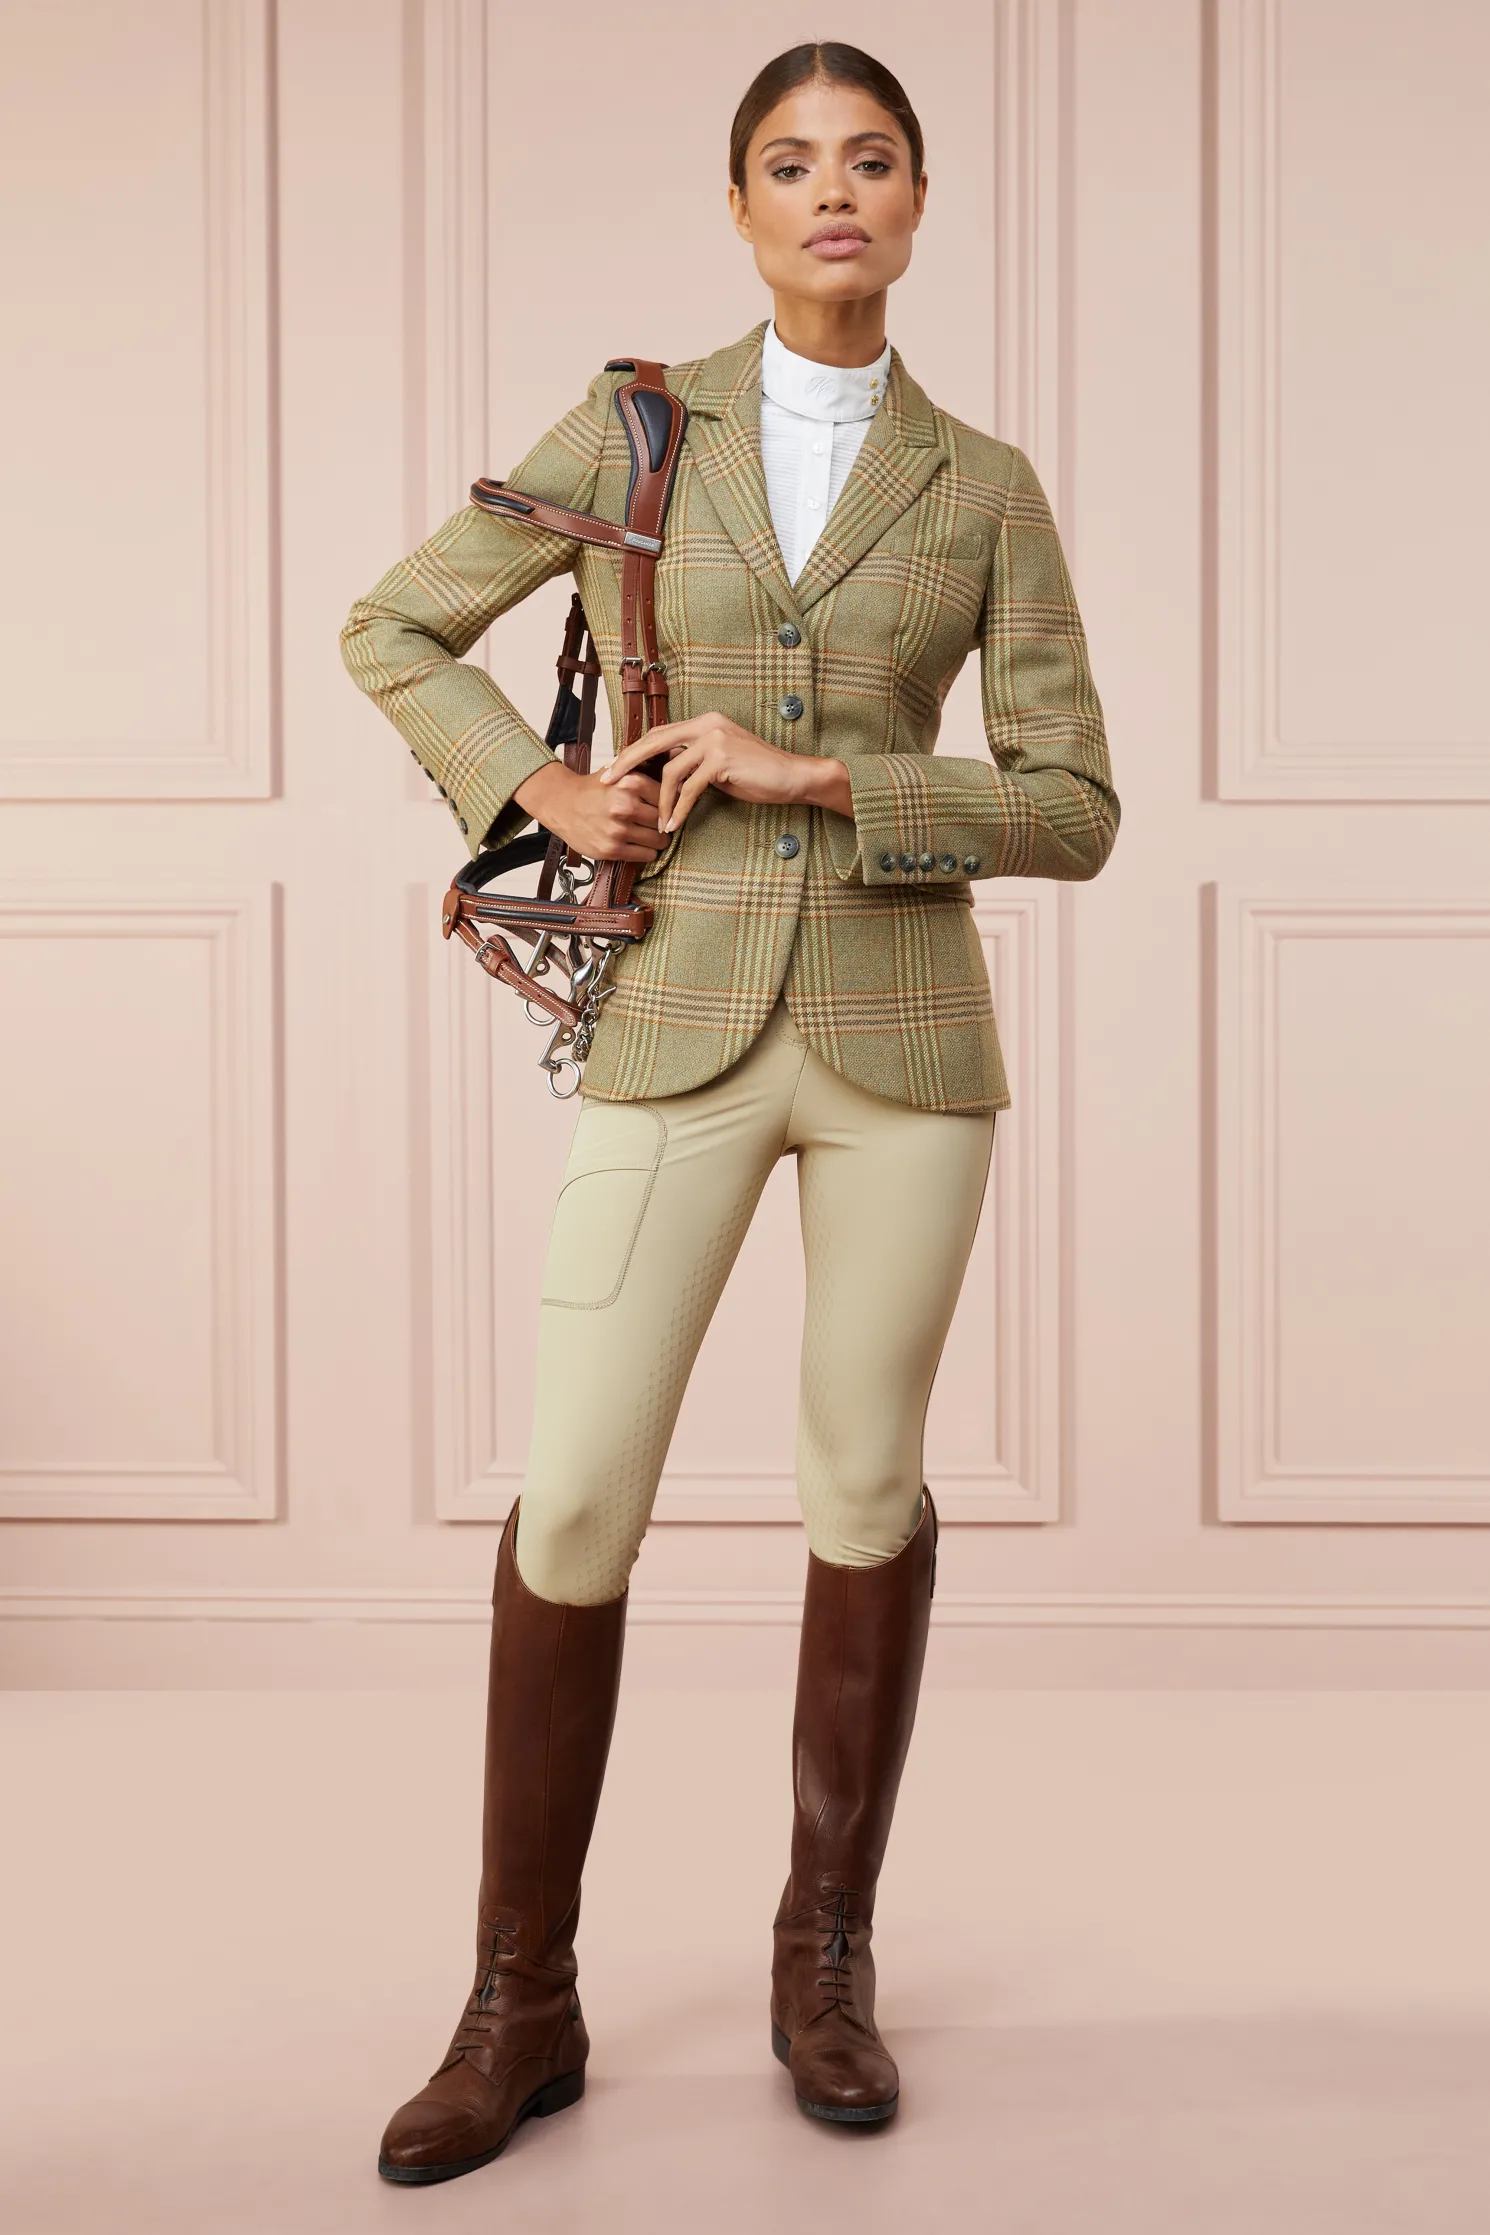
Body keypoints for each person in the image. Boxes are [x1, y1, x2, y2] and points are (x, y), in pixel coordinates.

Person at [341, 39, 1118, 2185]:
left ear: (918, 199)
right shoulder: (636, 428)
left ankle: (822, 1961)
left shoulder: (982, 486)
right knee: (577, 1495)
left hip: (904, 1046)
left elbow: (1073, 804)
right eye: (790, 162)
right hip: (676, 1014)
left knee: (862, 1484)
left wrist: (832, 773)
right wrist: (531, 780)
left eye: (870, 158)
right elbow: (398, 624)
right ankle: (521, 2000)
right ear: (740, 205)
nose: (831, 191)